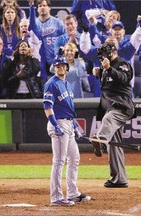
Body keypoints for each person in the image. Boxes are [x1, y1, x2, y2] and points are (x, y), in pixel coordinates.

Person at [43, 55, 91, 206]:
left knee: (74, 158)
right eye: (58, 66)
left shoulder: (67, 84)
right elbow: (47, 106)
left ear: (67, 67)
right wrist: (54, 124)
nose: (61, 68)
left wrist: (75, 125)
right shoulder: (51, 84)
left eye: (63, 65)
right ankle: (56, 197)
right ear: (54, 68)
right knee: (58, 161)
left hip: (68, 124)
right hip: (58, 123)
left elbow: (68, 108)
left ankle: (72, 193)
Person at [91, 42, 136, 188]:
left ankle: (100, 140)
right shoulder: (105, 67)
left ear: (112, 52)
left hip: (122, 106)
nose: (102, 58)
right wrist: (100, 73)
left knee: (109, 119)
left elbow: (123, 78)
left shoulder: (123, 64)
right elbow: (107, 87)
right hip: (110, 106)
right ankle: (119, 178)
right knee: (114, 146)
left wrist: (108, 69)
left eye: (104, 54)